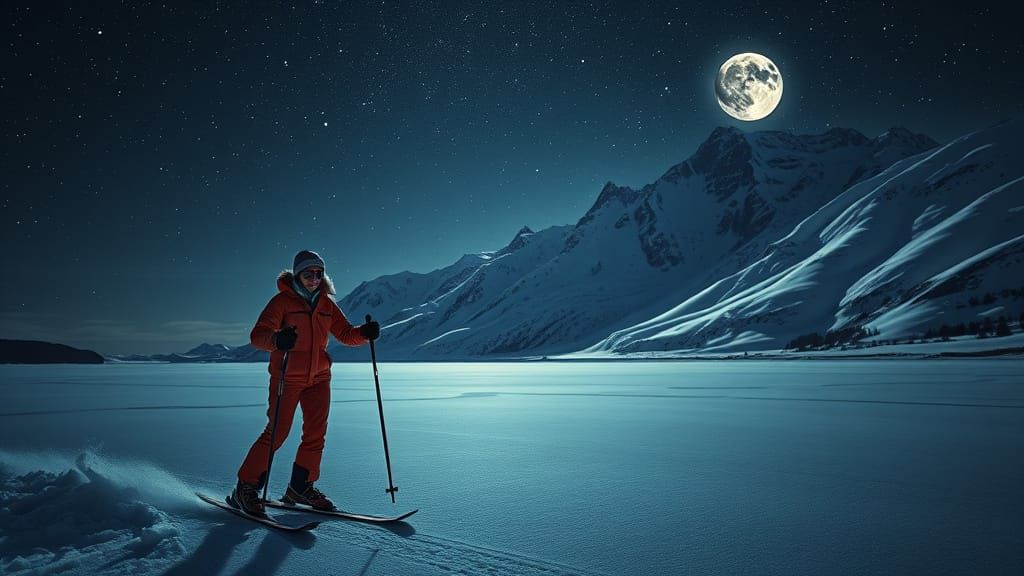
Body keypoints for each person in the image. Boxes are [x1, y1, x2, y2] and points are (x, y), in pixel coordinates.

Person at [229, 250, 380, 517]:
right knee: (276, 432)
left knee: (315, 434)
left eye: (319, 274)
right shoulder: (281, 303)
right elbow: (258, 336)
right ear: (297, 274)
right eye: (309, 273)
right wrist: (277, 340)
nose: (314, 278)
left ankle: (300, 487)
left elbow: (345, 334)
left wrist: (364, 335)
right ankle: (246, 488)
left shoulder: (326, 304)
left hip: (319, 378)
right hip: (287, 377)